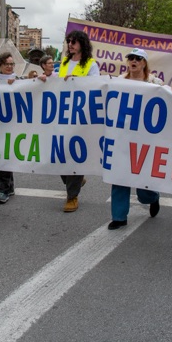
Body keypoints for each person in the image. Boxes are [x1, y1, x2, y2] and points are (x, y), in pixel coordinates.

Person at [107, 48, 162, 229]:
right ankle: (119, 217)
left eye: (138, 58)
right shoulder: (119, 81)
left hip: (145, 139)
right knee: (119, 176)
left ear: (144, 63)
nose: (134, 61)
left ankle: (153, 197)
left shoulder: (155, 83)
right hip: (122, 136)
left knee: (144, 183)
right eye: (131, 58)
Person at [57, 30, 100, 212]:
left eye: (74, 42)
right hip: (62, 113)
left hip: (80, 115)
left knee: (74, 154)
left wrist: (77, 82)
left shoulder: (91, 64)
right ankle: (75, 180)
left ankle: (72, 196)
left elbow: (95, 87)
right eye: (69, 41)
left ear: (82, 44)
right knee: (59, 154)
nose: (70, 44)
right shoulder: (65, 62)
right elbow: (57, 83)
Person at [0, 52, 20, 203]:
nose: (9, 67)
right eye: (6, 64)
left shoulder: (20, 80)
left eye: (11, 64)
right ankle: (7, 188)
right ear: (0, 65)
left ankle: (5, 189)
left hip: (15, 124)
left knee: (6, 154)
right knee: (4, 154)